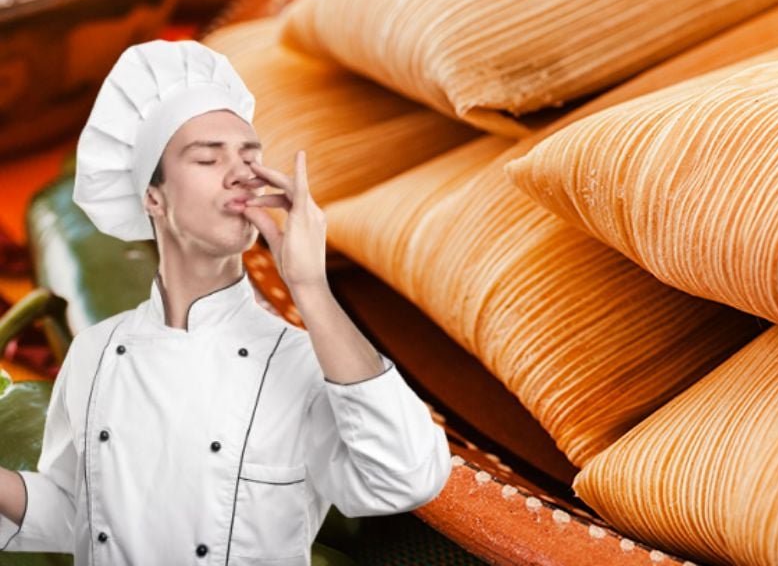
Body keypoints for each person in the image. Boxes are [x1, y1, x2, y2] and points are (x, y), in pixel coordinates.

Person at [0, 40, 453, 564]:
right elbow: (70, 517)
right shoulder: (95, 353)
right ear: (154, 198)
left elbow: (406, 478)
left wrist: (310, 286)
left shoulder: (300, 360)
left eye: (250, 157)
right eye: (208, 158)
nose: (241, 172)